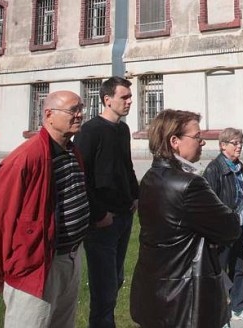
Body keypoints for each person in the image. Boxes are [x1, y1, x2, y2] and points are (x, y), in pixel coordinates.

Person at [0, 90, 90, 328]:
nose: (80, 115)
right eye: (73, 110)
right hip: (37, 265)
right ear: (49, 115)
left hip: (70, 258)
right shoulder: (26, 158)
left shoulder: (72, 151)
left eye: (81, 108)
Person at [130, 109, 241, 328]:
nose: (202, 143)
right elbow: (230, 228)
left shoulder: (151, 177)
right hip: (185, 299)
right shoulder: (189, 185)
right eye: (197, 137)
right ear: (175, 141)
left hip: (155, 291)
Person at [74, 76, 139, 328]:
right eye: (124, 97)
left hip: (124, 216)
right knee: (104, 287)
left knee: (117, 279)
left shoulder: (122, 130)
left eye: (130, 97)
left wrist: (135, 194)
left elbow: (126, 165)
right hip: (103, 222)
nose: (129, 101)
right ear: (107, 99)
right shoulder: (90, 131)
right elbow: (82, 177)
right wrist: (99, 214)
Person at [203, 128, 243, 326]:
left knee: (238, 269)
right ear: (222, 145)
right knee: (217, 274)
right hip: (223, 233)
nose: (239, 147)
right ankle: (218, 316)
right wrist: (214, 235)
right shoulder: (214, 169)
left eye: (241, 143)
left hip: (241, 228)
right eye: (235, 143)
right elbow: (209, 206)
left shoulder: (239, 167)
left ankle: (239, 307)